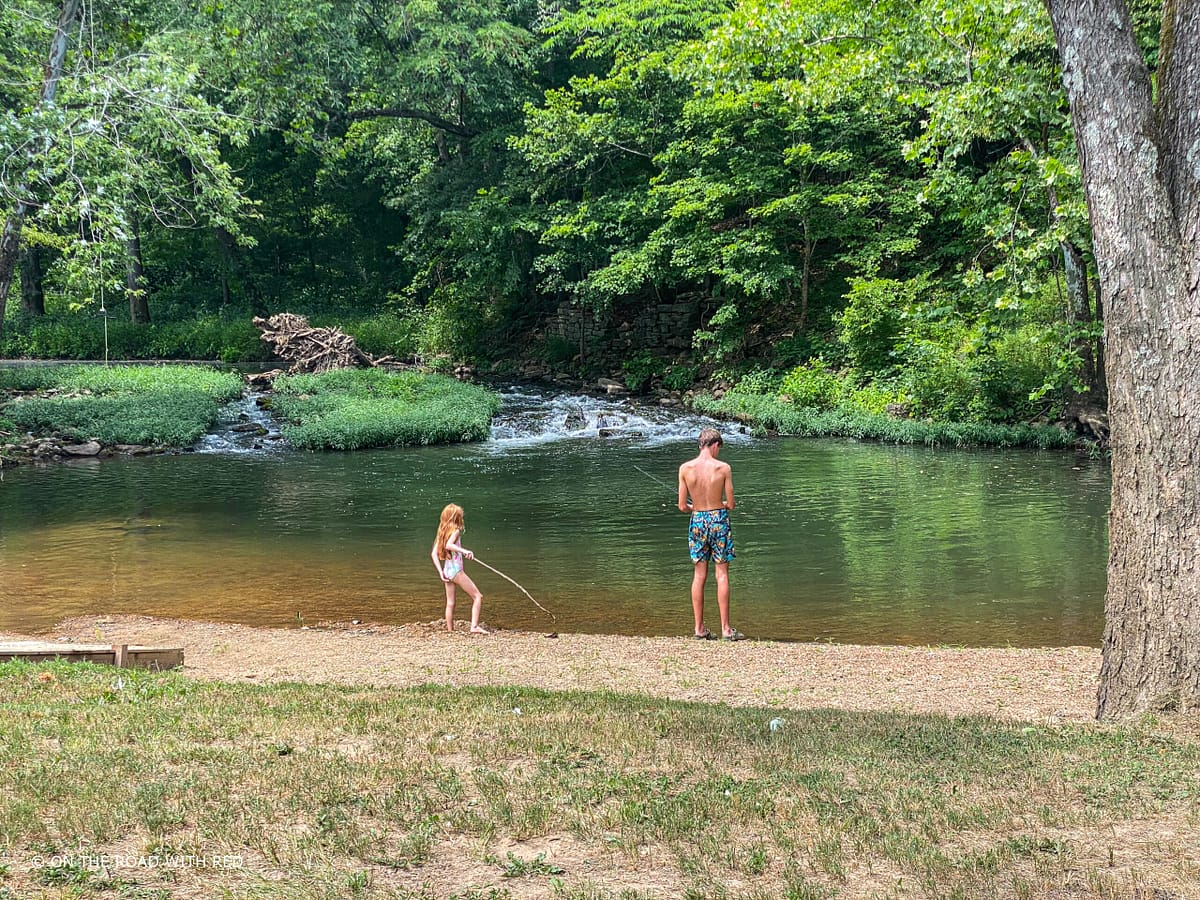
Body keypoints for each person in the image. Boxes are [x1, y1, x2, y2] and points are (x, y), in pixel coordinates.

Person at [678, 428, 744, 641]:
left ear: (700, 445)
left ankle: (699, 629)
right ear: (715, 445)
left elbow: (681, 506)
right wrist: (722, 504)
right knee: (722, 574)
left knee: (699, 575)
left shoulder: (685, 469)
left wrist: (694, 508)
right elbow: (731, 504)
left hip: (697, 520)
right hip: (719, 521)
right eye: (719, 448)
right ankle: (726, 629)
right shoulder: (723, 468)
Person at [431, 503, 489, 635]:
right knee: (477, 596)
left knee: (450, 603)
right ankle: (474, 626)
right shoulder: (456, 531)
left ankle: (450, 630)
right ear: (456, 517)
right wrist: (465, 551)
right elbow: (449, 545)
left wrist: (441, 572)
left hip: (447, 571)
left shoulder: (442, 531)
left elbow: (433, 554)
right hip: (456, 570)